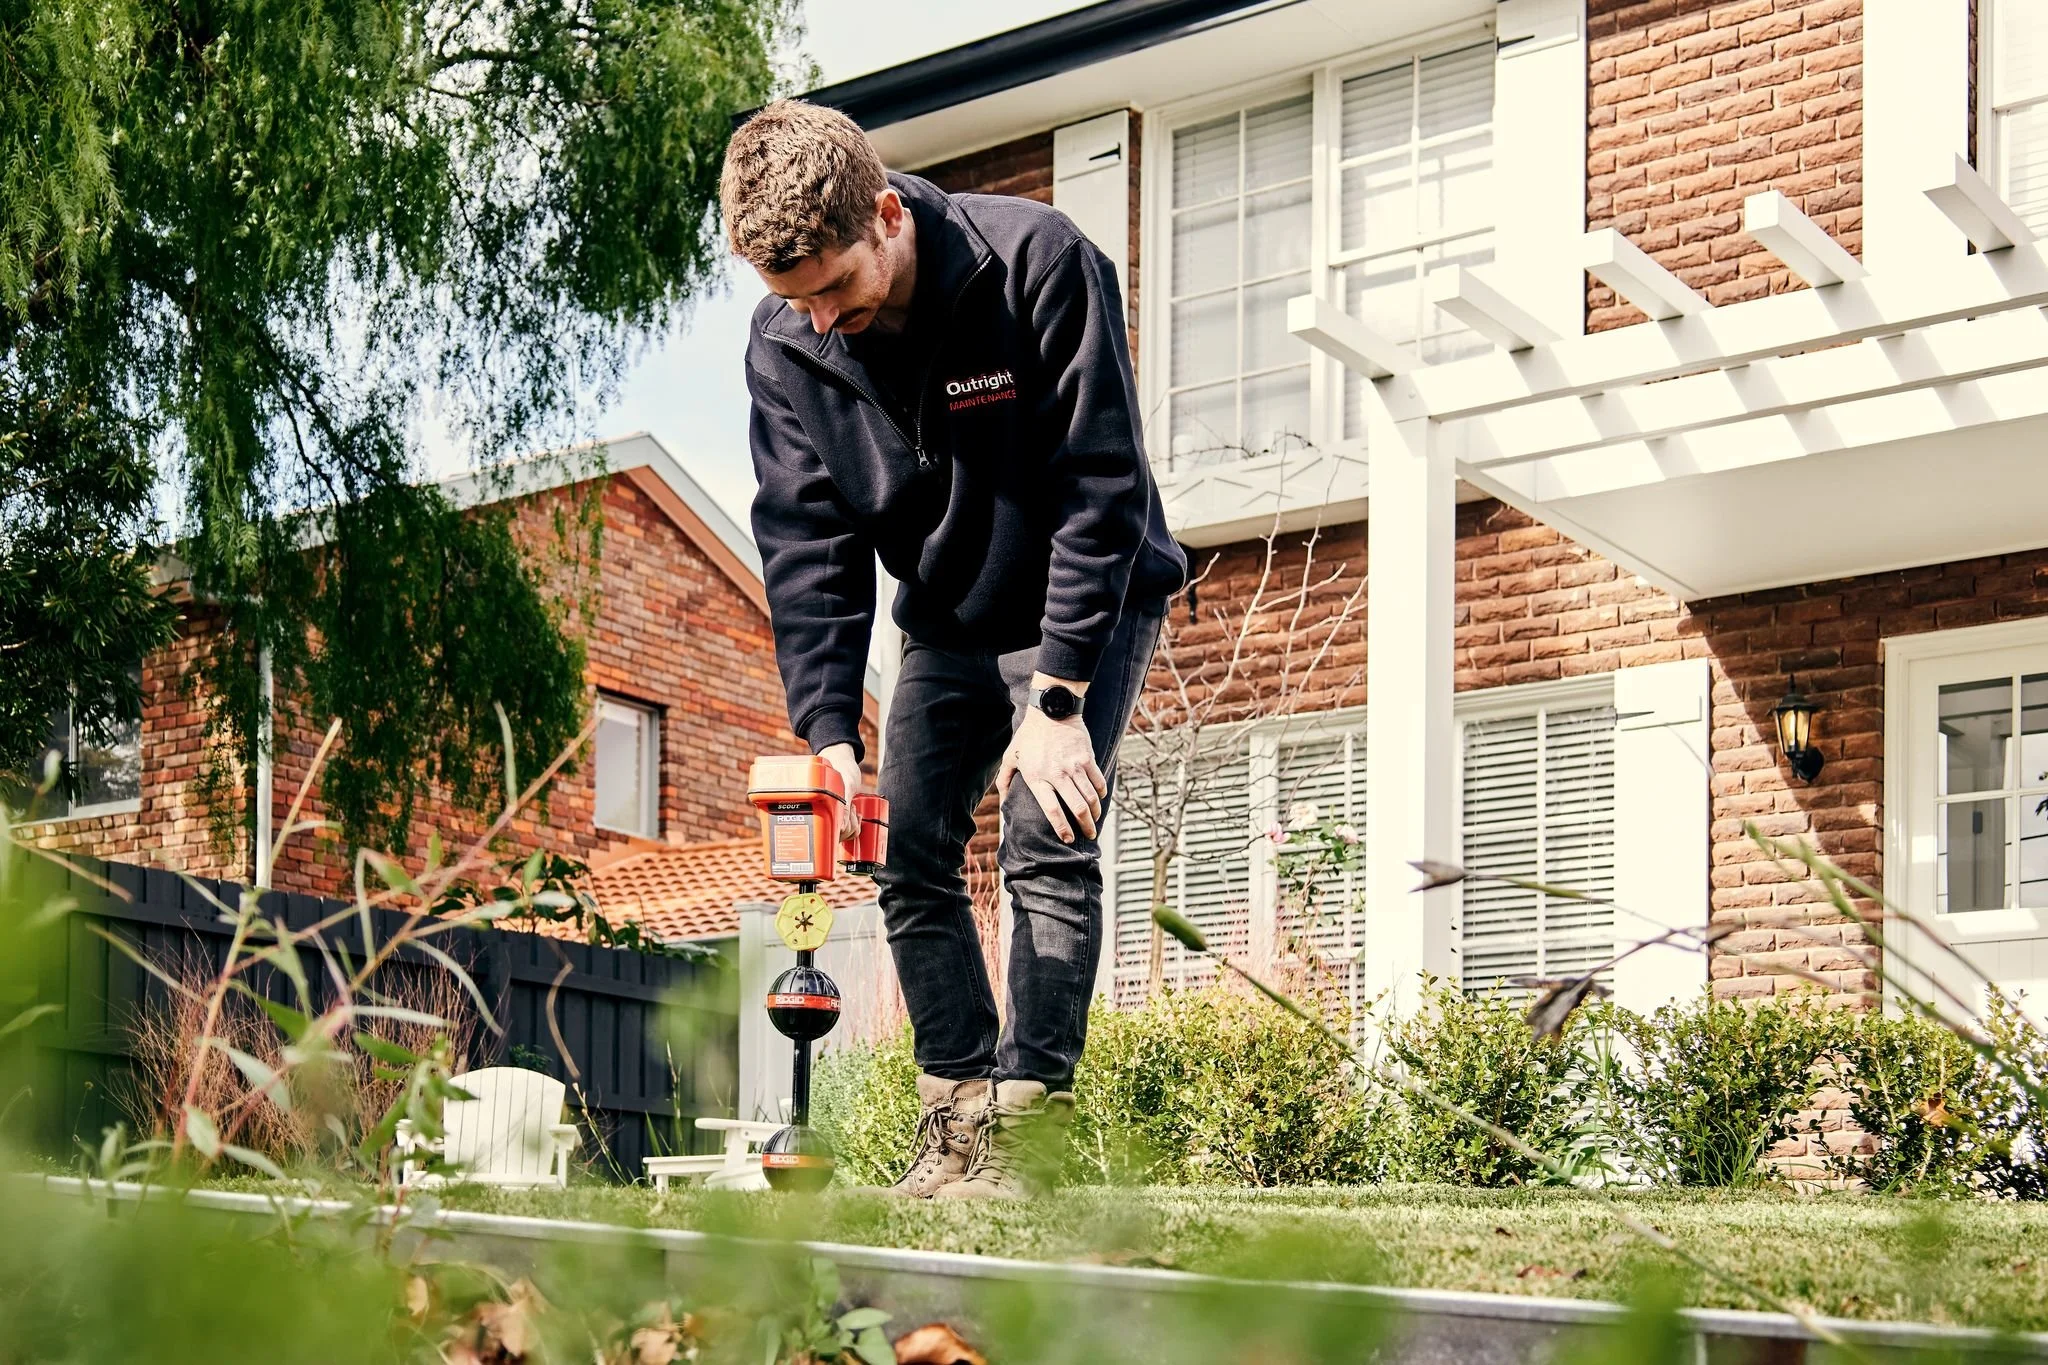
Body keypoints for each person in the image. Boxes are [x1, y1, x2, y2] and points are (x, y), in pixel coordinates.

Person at [721, 100, 1186, 1199]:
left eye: (833, 287)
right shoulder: (789, 344)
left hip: (1088, 597)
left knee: (1045, 828)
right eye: (792, 301)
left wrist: (1060, 704)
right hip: (947, 619)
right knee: (906, 847)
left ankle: (1031, 1134)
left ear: (885, 213)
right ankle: (956, 1122)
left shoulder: (1036, 263)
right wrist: (828, 729)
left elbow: (1099, 488)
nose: (819, 321)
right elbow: (808, 538)